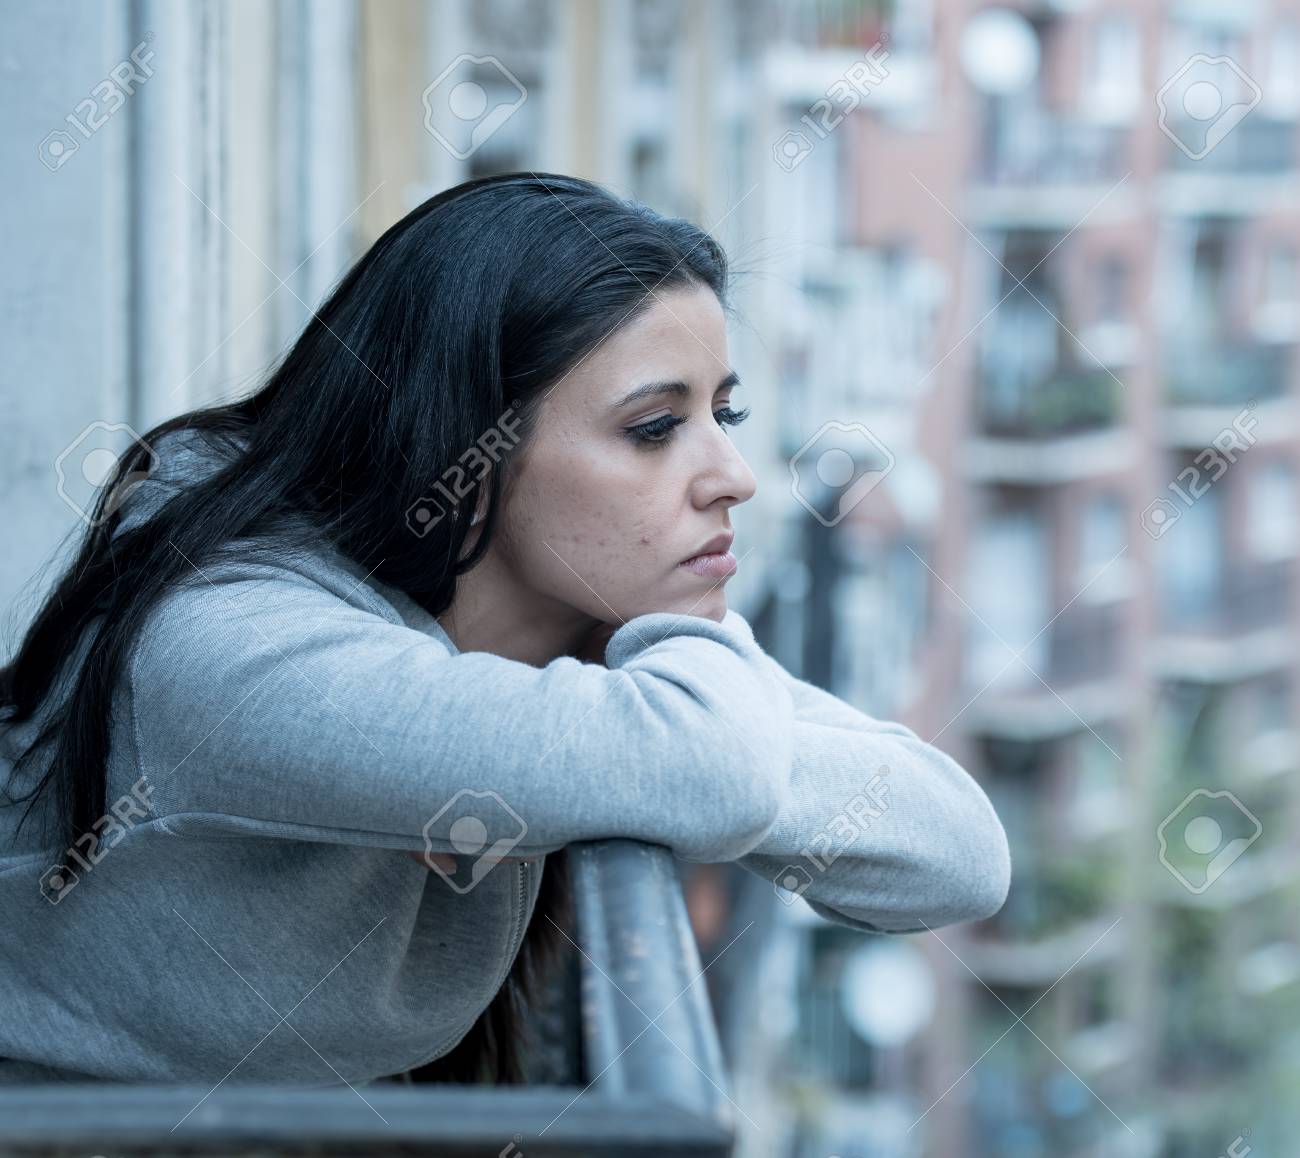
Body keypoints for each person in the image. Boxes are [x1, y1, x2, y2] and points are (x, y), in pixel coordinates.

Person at [0, 172, 1009, 1087]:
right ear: (464, 445)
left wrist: (671, 654)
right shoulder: (235, 645)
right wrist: (688, 671)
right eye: (655, 429)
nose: (731, 477)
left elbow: (957, 852)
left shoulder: (581, 630)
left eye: (723, 417)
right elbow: (719, 768)